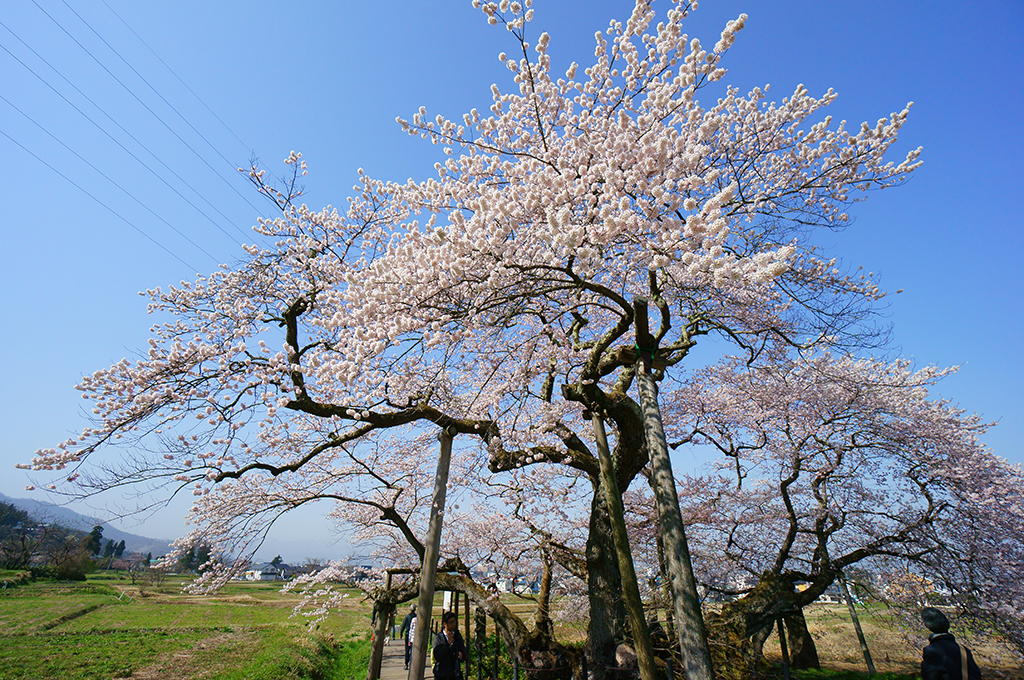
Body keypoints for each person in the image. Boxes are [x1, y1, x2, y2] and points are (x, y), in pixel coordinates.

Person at [921, 607, 982, 680]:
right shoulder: (963, 650)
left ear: (927, 626)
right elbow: (976, 675)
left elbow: (929, 676)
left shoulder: (932, 651)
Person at [432, 611, 468, 680]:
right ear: (445, 624)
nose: (453, 624)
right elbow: (437, 655)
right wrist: (447, 644)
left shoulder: (457, 636)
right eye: (451, 622)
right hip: (441, 674)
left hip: (455, 674)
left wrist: (461, 655)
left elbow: (464, 650)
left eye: (454, 622)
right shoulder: (438, 638)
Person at [400, 604, 417, 670]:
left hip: (407, 634)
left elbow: (403, 625)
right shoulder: (416, 617)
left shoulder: (407, 617)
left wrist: (401, 633)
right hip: (415, 634)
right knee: (414, 649)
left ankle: (406, 663)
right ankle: (412, 662)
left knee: (407, 649)